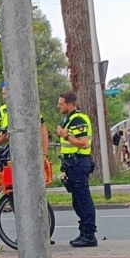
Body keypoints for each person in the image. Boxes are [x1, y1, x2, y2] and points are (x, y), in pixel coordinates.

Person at [56, 92, 97, 248]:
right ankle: (83, 232)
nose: (58, 106)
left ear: (70, 104)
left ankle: (89, 235)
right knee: (77, 201)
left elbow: (84, 143)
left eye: (61, 103)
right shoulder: (69, 118)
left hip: (78, 162)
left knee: (83, 200)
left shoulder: (78, 119)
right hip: (71, 164)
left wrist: (65, 136)